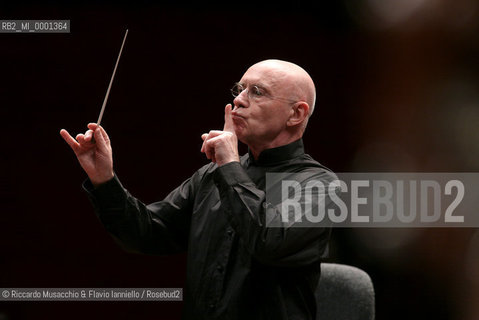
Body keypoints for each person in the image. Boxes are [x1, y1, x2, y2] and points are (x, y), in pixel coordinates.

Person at [60, 59, 337, 320]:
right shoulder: (212, 175)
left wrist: (229, 164)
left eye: (257, 92)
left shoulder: (321, 186)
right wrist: (104, 179)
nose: (238, 100)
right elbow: (146, 234)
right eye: (239, 90)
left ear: (296, 113)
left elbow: (267, 242)